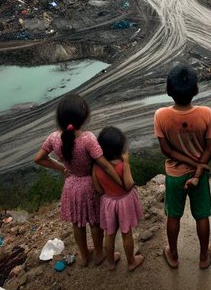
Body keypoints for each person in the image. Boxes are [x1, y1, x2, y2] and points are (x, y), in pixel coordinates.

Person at [33, 93, 122, 267]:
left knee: (77, 223)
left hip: (71, 186)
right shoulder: (88, 139)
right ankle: (99, 254)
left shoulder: (54, 138)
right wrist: (119, 180)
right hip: (90, 186)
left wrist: (62, 168)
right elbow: (104, 164)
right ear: (84, 117)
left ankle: (84, 256)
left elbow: (39, 158)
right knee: (95, 222)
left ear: (59, 118)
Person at [154, 64, 211, 269]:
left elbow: (167, 150)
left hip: (174, 175)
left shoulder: (161, 115)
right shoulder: (206, 113)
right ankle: (203, 257)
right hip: (198, 175)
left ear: (168, 90)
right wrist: (198, 169)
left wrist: (192, 164)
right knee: (202, 215)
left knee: (173, 215)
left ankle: (173, 255)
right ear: (196, 90)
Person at [92, 126, 146, 272]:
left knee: (109, 234)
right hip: (124, 203)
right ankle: (131, 261)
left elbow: (98, 189)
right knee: (126, 233)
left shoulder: (96, 167)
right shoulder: (122, 165)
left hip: (108, 203)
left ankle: (110, 262)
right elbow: (129, 184)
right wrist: (127, 163)